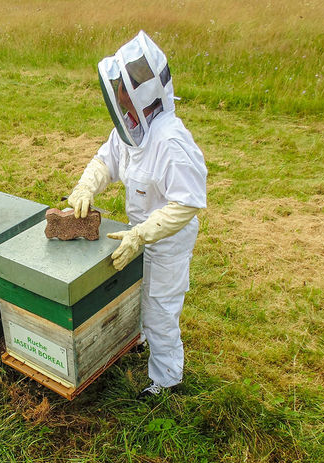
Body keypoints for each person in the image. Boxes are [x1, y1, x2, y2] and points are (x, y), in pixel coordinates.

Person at [68, 31, 207, 399]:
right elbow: (106, 160)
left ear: (142, 92)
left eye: (123, 89)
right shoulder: (131, 127)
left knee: (160, 309)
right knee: (137, 294)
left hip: (167, 243)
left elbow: (187, 203)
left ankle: (167, 380)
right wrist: (85, 187)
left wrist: (143, 234)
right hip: (138, 234)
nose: (118, 96)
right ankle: (140, 341)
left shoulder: (171, 141)